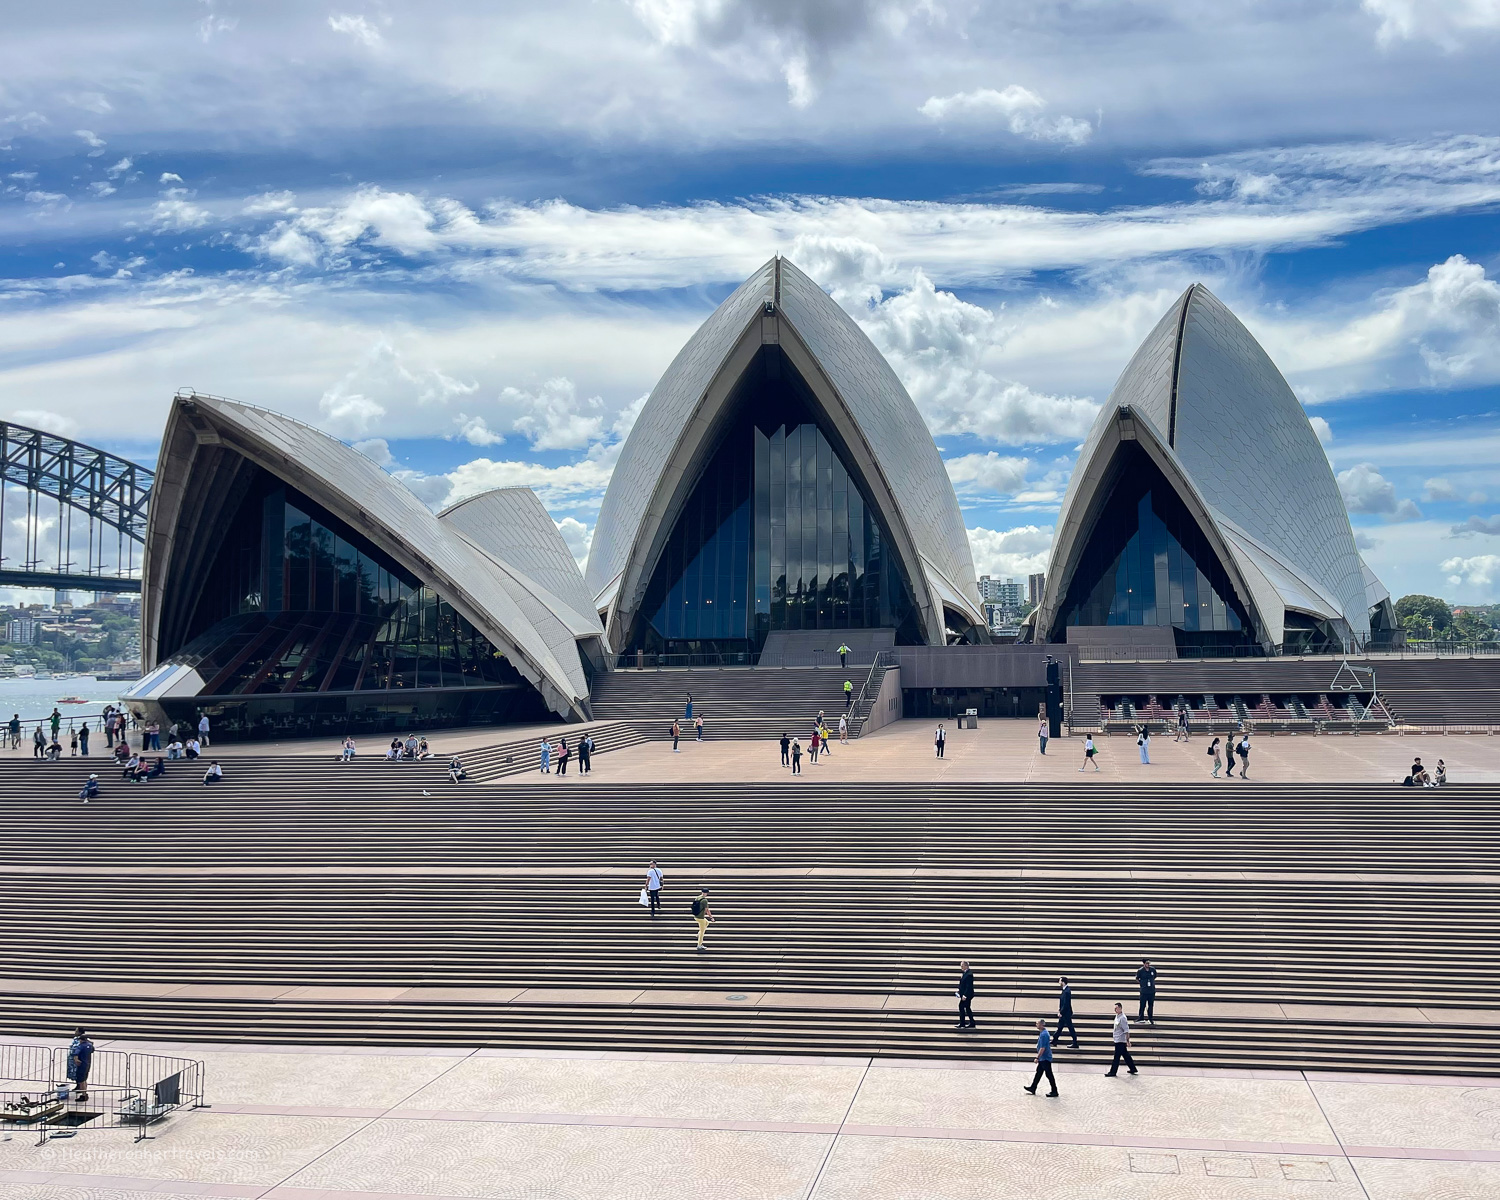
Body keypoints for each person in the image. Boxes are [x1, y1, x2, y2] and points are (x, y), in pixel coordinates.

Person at [1023, 1019, 1059, 1097]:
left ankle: (1054, 1091)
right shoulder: (1043, 1033)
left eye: (1037, 1023)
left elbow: (1043, 1048)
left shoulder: (1044, 1035)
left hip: (1045, 1058)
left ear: (1042, 1025)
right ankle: (1033, 1087)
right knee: (1039, 1073)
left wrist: (1037, 1057)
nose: (1036, 1024)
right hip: (1044, 1058)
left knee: (1049, 1074)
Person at [1106, 1003, 1138, 1076]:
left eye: (1116, 1008)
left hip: (1120, 1040)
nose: (1115, 1010)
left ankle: (1113, 1071)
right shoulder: (1117, 1016)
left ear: (1120, 1008)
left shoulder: (1123, 1018)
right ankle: (1133, 1068)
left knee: (1116, 1057)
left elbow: (1126, 1030)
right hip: (1117, 1038)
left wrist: (1128, 1041)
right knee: (1126, 1055)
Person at [66, 1028, 94, 1100]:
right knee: (84, 1079)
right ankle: (85, 1093)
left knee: (81, 1081)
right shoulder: (89, 1045)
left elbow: (75, 1055)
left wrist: (76, 1060)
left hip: (81, 1065)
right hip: (87, 1063)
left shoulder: (80, 1046)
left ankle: (83, 1095)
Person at [1056, 976, 1079, 1049]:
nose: (1059, 982)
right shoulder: (1065, 990)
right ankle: (1055, 1040)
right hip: (1065, 1012)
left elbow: (1066, 1004)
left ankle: (1075, 1042)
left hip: (1066, 1013)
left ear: (1063, 982)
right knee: (1060, 1027)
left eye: (1059, 981)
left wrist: (1061, 1012)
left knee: (1070, 1028)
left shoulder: (1066, 991)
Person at [955, 960, 976, 1029]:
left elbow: (968, 986)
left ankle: (962, 1023)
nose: (961, 967)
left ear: (966, 966)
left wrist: (965, 995)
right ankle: (971, 1022)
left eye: (962, 966)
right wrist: (959, 990)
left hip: (967, 995)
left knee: (961, 1006)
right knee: (967, 1008)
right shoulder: (965, 973)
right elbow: (962, 984)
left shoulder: (969, 974)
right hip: (965, 994)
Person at [1136, 959, 1157, 1024]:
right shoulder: (1140, 971)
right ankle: (1141, 1017)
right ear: (1144, 964)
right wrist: (1142, 983)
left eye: (1148, 963)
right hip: (1144, 991)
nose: (1148, 965)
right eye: (1146, 963)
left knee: (1150, 1005)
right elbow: (1137, 978)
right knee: (1142, 1005)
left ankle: (1150, 1018)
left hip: (1151, 990)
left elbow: (1155, 976)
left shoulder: (1152, 969)